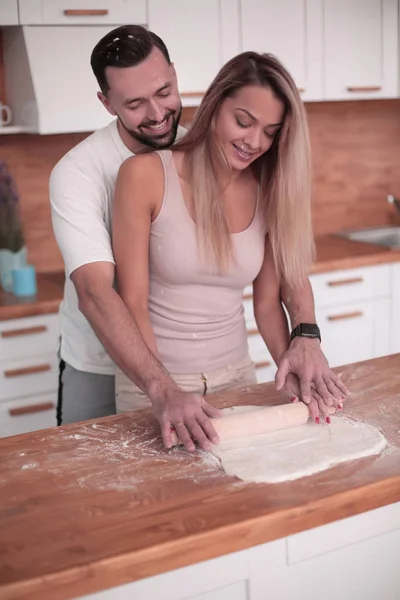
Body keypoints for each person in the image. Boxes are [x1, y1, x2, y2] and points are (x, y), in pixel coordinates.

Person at [112, 50, 349, 451]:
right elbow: (131, 300)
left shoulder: (268, 188)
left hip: (237, 376)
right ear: (215, 105)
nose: (254, 142)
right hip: (155, 384)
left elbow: (269, 303)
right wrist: (164, 391)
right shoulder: (146, 175)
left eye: (271, 132)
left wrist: (291, 369)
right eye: (243, 121)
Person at [50, 24, 222, 449]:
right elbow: (94, 292)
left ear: (175, 76)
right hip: (98, 366)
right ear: (106, 104)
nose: (158, 113)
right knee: (92, 488)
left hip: (182, 366)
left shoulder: (199, 156)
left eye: (164, 92)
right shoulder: (78, 173)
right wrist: (160, 388)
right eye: (134, 104)